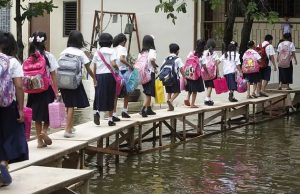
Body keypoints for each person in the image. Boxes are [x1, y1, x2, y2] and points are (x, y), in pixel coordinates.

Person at [0, 31, 28, 186]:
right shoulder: (13, 62)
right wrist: (21, 108)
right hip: (7, 105)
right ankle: (4, 163)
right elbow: (19, 86)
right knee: (11, 135)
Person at [59, 30, 96, 138]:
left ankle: (70, 126)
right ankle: (67, 130)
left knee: (68, 104)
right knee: (71, 106)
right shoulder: (80, 53)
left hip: (63, 82)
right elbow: (88, 69)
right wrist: (94, 78)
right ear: (80, 41)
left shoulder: (64, 52)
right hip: (74, 82)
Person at [26, 32, 59, 148]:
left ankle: (39, 142)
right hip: (46, 89)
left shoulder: (30, 57)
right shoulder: (49, 56)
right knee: (49, 113)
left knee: (37, 115)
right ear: (44, 42)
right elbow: (54, 75)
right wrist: (56, 91)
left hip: (33, 90)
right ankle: (44, 131)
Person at [93, 33, 119, 126]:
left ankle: (97, 113)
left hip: (99, 76)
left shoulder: (97, 52)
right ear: (110, 42)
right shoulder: (112, 51)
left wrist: (94, 79)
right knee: (110, 96)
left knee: (99, 95)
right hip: (109, 76)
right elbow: (113, 63)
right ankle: (110, 119)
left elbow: (94, 67)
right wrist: (117, 68)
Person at [112, 33, 133, 120]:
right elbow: (122, 59)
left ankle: (113, 113)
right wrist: (130, 65)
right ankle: (124, 111)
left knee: (115, 94)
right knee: (127, 91)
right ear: (124, 41)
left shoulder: (113, 49)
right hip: (123, 71)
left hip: (115, 72)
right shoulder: (123, 48)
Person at [139, 35, 158, 117]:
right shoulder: (152, 51)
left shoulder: (141, 52)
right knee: (149, 92)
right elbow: (152, 59)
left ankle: (149, 108)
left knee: (147, 91)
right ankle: (143, 109)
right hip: (150, 73)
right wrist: (155, 66)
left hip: (142, 74)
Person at [161, 43, 184, 111]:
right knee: (177, 91)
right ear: (177, 51)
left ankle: (169, 107)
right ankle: (171, 100)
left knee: (169, 92)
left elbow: (162, 69)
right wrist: (184, 77)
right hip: (174, 78)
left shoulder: (166, 59)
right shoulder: (178, 59)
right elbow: (181, 69)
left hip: (166, 78)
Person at [184, 39, 205, 108]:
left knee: (190, 87)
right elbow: (204, 65)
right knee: (195, 90)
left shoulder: (191, 52)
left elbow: (187, 61)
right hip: (196, 74)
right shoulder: (202, 55)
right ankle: (192, 104)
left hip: (189, 72)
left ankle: (187, 98)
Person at [203, 39, 220, 106]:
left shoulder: (204, 52)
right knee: (210, 86)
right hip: (212, 72)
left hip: (204, 71)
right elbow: (216, 64)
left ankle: (209, 98)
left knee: (208, 85)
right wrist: (218, 73)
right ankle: (207, 98)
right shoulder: (214, 53)